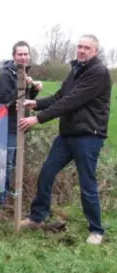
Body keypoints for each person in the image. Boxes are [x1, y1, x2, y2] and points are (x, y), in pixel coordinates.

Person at [18, 34, 112, 245]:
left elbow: (71, 101)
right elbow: (60, 96)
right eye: (79, 46)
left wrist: (38, 119)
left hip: (88, 137)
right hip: (67, 136)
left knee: (87, 183)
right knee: (47, 173)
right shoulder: (76, 71)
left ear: (95, 51)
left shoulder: (98, 72)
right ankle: (37, 217)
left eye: (86, 48)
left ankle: (96, 230)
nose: (81, 50)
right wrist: (35, 103)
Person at [0, 40, 43, 214]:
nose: (23, 57)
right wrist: (20, 90)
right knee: (5, 166)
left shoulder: (23, 74)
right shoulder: (5, 76)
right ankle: (0, 205)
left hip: (21, 127)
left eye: (26, 54)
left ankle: (10, 201)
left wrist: (33, 88)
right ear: (14, 56)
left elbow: (25, 99)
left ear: (29, 56)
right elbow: (3, 102)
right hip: (8, 128)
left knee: (14, 165)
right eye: (19, 54)